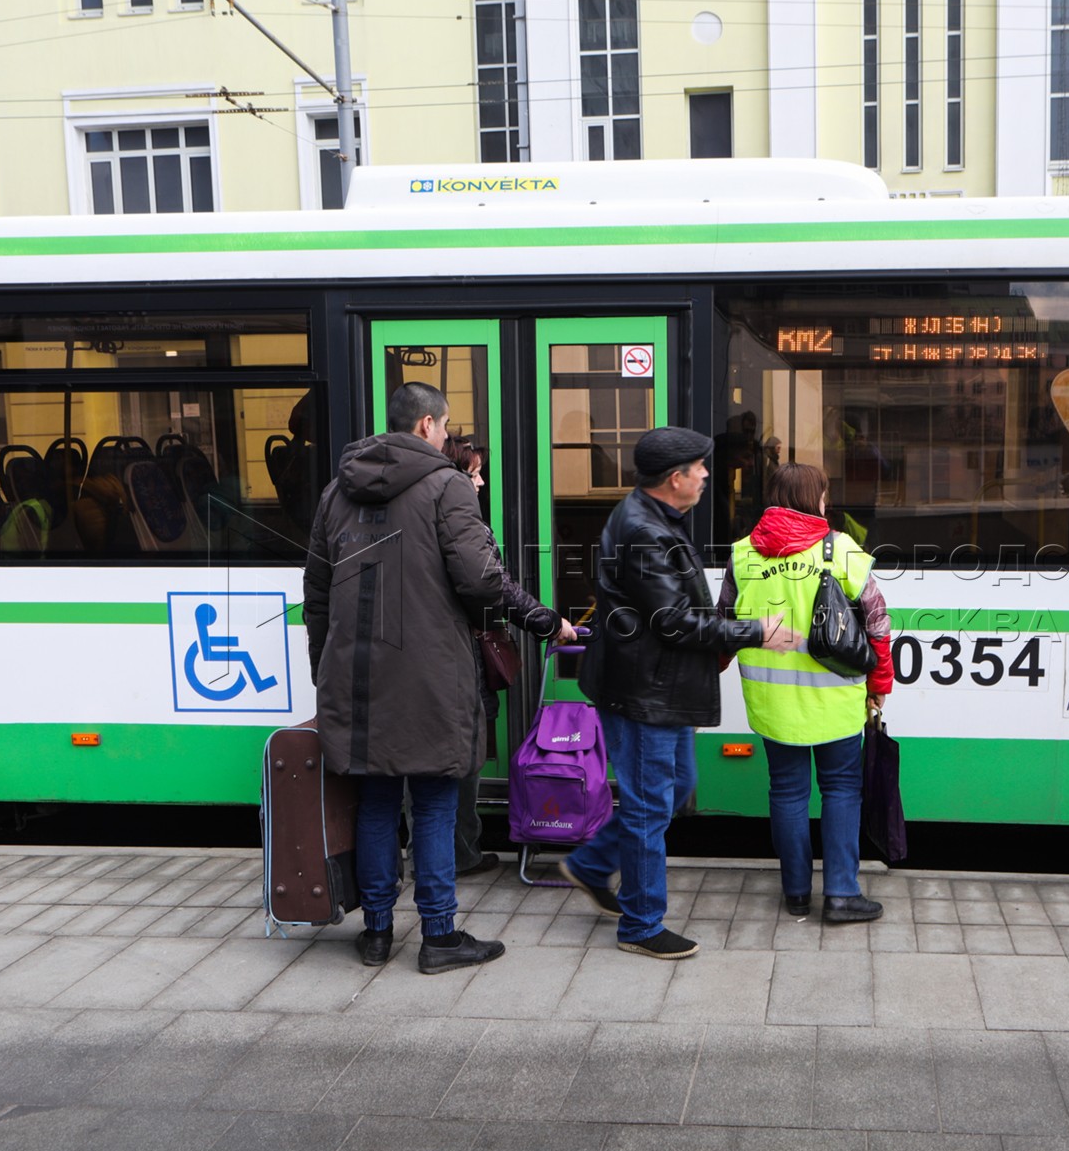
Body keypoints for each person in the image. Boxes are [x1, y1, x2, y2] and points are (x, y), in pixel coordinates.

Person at [559, 426, 801, 959]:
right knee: (651, 805)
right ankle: (642, 927)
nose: (707, 476)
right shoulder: (645, 531)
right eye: (700, 468)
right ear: (676, 478)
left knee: (676, 786)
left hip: (656, 683)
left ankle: (592, 863)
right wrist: (756, 631)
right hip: (646, 688)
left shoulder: (654, 517)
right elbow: (673, 622)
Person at [302, 381, 508, 974]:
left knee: (375, 803)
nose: (445, 436)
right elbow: (481, 581)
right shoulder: (447, 487)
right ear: (426, 426)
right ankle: (440, 935)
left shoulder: (334, 493)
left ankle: (375, 930)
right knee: (437, 804)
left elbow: (316, 592)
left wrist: (327, 664)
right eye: (444, 427)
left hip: (356, 675)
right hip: (430, 676)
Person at [718, 463, 893, 923]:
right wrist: (879, 687)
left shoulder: (742, 555)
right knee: (840, 789)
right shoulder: (840, 550)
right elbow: (877, 624)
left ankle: (796, 893)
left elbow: (723, 629)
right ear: (816, 499)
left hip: (773, 705)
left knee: (788, 792)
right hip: (835, 702)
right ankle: (840, 895)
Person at [442, 433, 578, 874]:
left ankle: (450, 854)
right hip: (458, 660)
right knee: (460, 762)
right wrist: (548, 621)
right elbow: (493, 588)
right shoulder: (462, 526)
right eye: (475, 474)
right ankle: (457, 856)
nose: (480, 484)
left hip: (434, 660)